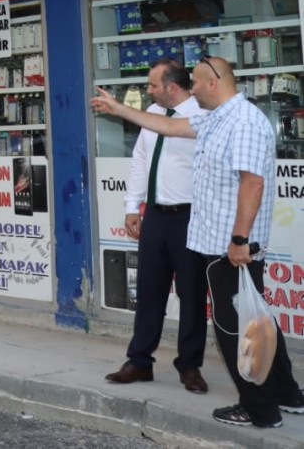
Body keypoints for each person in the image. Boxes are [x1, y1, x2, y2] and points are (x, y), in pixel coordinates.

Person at [92, 55, 304, 429]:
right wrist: (118, 108)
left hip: (231, 248)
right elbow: (169, 127)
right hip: (219, 243)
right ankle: (288, 395)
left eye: (196, 82)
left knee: (233, 329)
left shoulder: (244, 121)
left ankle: (260, 410)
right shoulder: (216, 119)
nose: (192, 89)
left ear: (212, 82)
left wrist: (239, 239)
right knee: (256, 320)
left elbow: (252, 183)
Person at [104, 58, 209, 394]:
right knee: (149, 291)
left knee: (191, 294)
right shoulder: (151, 113)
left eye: (152, 85)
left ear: (172, 87)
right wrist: (132, 206)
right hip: (156, 217)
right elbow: (140, 160)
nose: (148, 90)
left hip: (190, 217)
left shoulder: (202, 114)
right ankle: (139, 361)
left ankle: (189, 366)